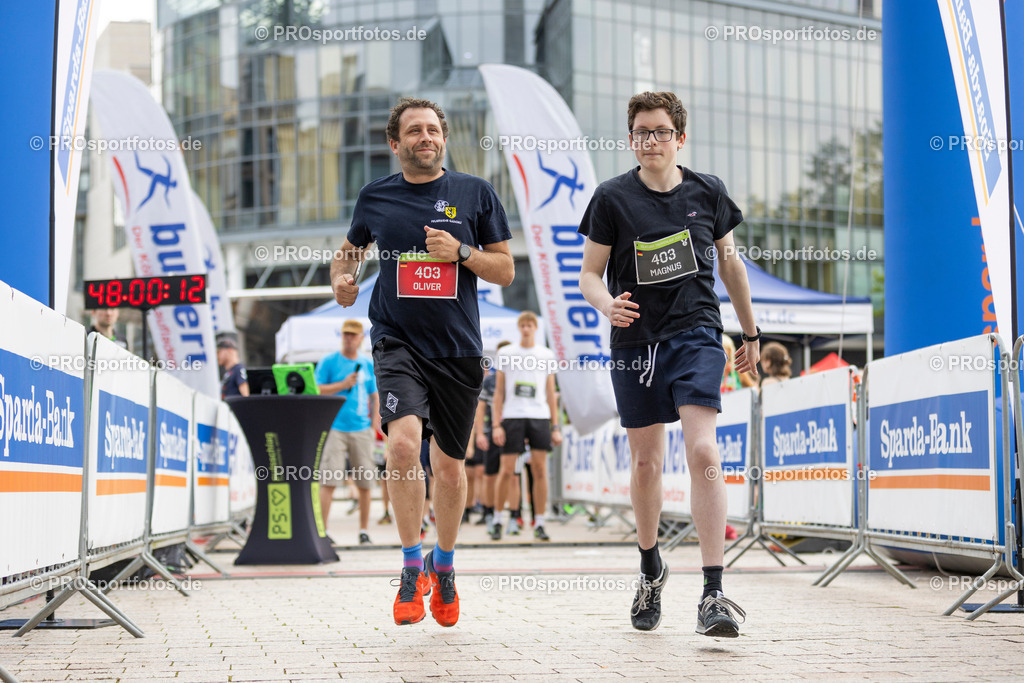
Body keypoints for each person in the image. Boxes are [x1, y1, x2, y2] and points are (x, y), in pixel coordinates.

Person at [579, 91, 758, 637]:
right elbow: (589, 275)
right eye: (640, 132)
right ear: (631, 139)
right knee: (646, 464)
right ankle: (651, 565)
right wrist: (607, 303)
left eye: (659, 131)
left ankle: (713, 592)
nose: (649, 140)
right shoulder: (611, 198)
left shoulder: (708, 192)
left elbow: (730, 265)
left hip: (698, 334)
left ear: (680, 137)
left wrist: (750, 332)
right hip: (635, 345)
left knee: (704, 449)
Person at [330, 97, 514, 627]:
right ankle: (412, 565)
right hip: (397, 343)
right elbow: (348, 253)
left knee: (450, 469)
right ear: (396, 143)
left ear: (444, 138)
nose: (425, 137)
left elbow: (504, 271)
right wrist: (342, 280)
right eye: (414, 131)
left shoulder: (475, 194)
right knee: (405, 444)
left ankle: (446, 565)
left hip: (458, 350)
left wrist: (460, 253)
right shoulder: (376, 197)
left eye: (433, 129)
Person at [491, 311, 561, 542]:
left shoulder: (546, 354)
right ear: (519, 328)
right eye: (523, 325)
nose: (527, 328)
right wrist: (496, 424)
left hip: (539, 415)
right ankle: (498, 519)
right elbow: (498, 392)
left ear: (536, 328)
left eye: (531, 325)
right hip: (512, 415)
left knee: (540, 470)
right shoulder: (506, 353)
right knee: (507, 470)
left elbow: (551, 393)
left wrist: (556, 425)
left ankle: (539, 521)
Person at [315, 319, 380, 545]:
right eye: (346, 334)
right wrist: (343, 384)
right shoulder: (329, 362)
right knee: (329, 480)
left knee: (365, 483)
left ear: (361, 338)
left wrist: (375, 425)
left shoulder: (367, 364)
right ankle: (322, 532)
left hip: (361, 428)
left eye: (353, 335)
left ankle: (363, 531)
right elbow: (316, 389)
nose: (349, 338)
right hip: (334, 427)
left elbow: (375, 395)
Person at [473, 341, 511, 534]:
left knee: (512, 476)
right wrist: (480, 432)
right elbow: (480, 409)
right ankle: (488, 513)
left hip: (514, 430)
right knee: (489, 475)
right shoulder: (490, 380)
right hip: (492, 431)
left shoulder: (519, 375)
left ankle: (514, 516)